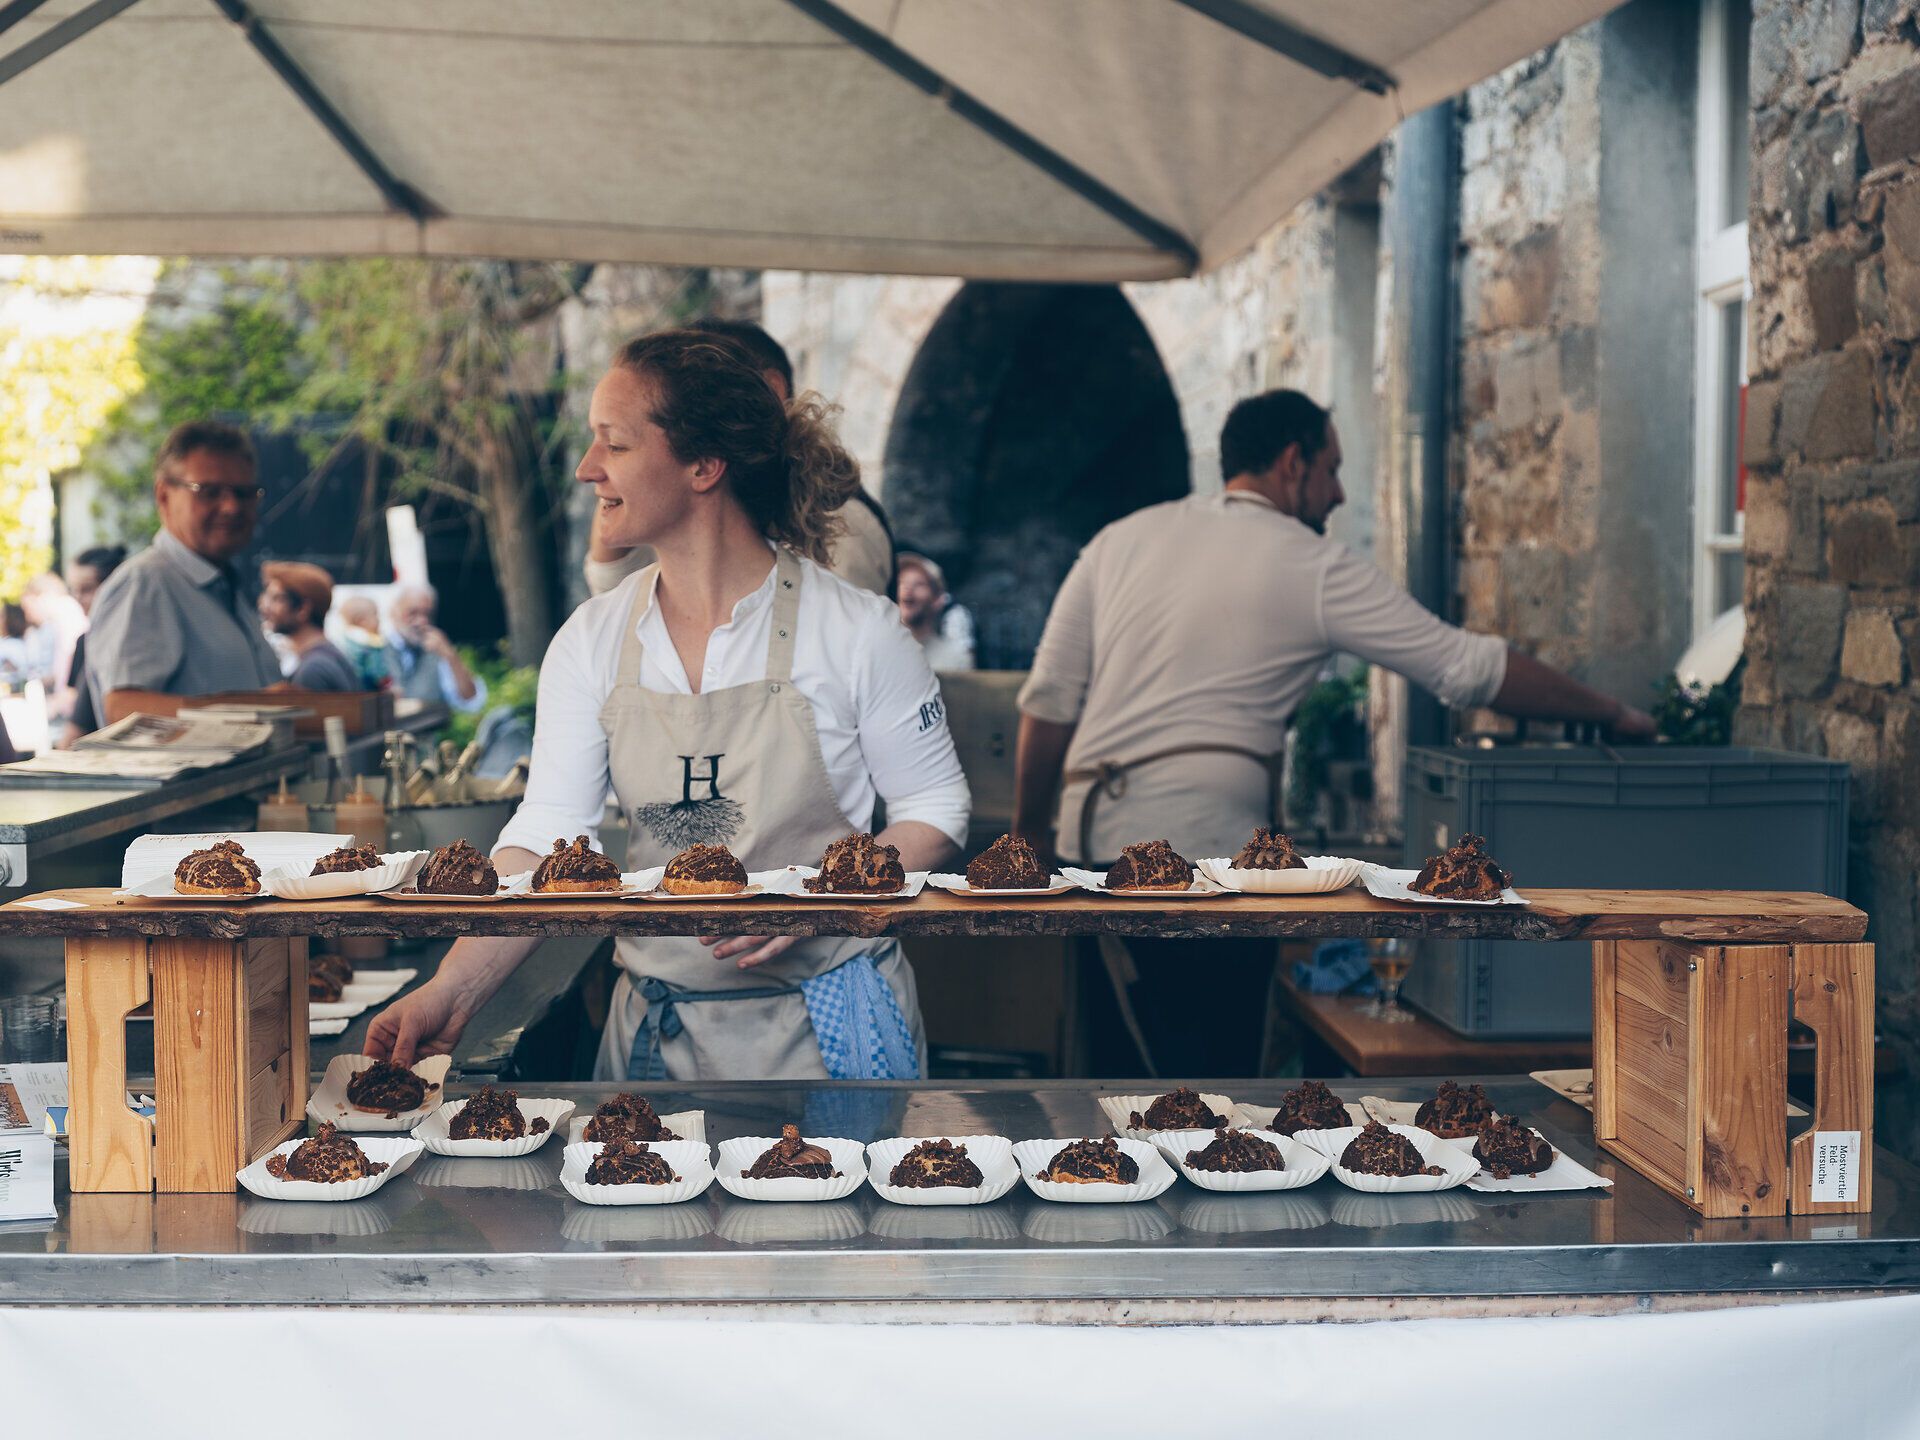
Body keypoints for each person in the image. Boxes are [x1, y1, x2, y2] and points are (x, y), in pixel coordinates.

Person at [366, 329, 969, 1082]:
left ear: (704, 465)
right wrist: (450, 993)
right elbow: (547, 838)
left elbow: (936, 808)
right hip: (659, 1027)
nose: (589, 470)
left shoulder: (857, 631)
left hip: (833, 1021)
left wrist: (826, 900)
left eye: (613, 445)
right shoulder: (592, 641)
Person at [1013, 388, 1656, 1075]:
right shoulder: (1312, 565)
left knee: (1113, 1081)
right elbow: (1466, 668)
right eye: (1333, 469)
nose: (1340, 494)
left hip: (1089, 852)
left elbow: (1048, 703)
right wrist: (1613, 714)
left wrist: (1030, 837)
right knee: (1206, 1090)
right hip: (1203, 864)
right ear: (1293, 463)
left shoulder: (1120, 540)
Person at [583, 318, 898, 600]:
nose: (584, 471)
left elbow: (836, 645)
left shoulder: (845, 525)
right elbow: (611, 585)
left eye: (617, 445)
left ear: (772, 388)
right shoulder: (601, 626)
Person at [84, 421, 282, 720]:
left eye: (243, 493)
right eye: (209, 491)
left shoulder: (223, 586)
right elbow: (124, 710)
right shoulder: (146, 583)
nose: (231, 507)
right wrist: (256, 708)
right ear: (164, 496)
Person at [258, 561, 361, 691]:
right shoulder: (327, 656)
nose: (264, 607)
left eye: (277, 599)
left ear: (303, 609)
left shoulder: (312, 670)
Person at [384, 585, 485, 714]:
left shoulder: (436, 651)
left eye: (428, 614)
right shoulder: (375, 648)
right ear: (394, 612)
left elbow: (471, 701)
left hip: (426, 731)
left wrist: (450, 656)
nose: (422, 621)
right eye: (412, 613)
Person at [59, 545, 126, 740]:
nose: (78, 598)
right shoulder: (85, 640)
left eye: (87, 589)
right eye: (74, 590)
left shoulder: (102, 640)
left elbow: (76, 729)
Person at [19, 574, 88, 732]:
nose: (28, 615)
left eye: (28, 607)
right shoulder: (59, 620)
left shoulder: (68, 616)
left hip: (74, 711)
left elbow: (75, 672)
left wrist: (56, 704)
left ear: (42, 597)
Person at [895, 552, 975, 672]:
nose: (907, 589)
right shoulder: (877, 652)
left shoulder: (957, 660)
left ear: (938, 600)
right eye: (901, 582)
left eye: (919, 584)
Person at [336, 595, 390, 690]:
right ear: (362, 621)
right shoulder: (369, 643)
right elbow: (377, 671)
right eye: (375, 615)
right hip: (370, 688)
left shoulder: (346, 640)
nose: (379, 620)